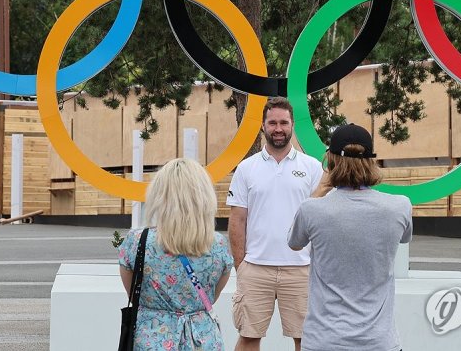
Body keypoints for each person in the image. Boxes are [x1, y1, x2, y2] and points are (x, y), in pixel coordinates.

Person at [288, 123, 413, 351]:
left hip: (324, 341)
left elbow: (294, 242)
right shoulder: (400, 207)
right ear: (371, 160)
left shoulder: (313, 209)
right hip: (378, 341)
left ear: (331, 162)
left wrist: (318, 191)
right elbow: (404, 238)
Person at [226, 96, 323, 351]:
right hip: (256, 269)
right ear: (263, 126)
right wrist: (241, 266)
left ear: (292, 125)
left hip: (301, 270)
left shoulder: (312, 168)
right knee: (248, 337)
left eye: (283, 122)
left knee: (306, 340)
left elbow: (321, 218)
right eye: (272, 123)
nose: (278, 128)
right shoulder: (246, 169)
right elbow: (237, 220)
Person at [118, 158, 233, 350]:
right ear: (204, 196)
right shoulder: (218, 244)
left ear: (160, 195)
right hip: (203, 339)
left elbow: (133, 291)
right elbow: (212, 295)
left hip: (152, 340)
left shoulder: (139, 241)